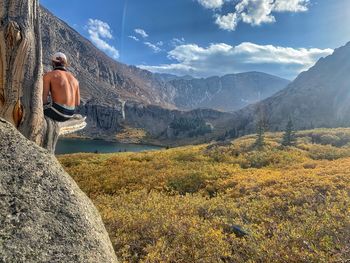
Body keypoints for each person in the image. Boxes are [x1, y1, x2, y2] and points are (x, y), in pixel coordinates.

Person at [43, 52, 80, 122]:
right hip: (71, 113)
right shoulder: (75, 80)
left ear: (53, 63)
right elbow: (77, 102)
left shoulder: (49, 75)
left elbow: (43, 99)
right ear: (65, 64)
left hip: (58, 112)